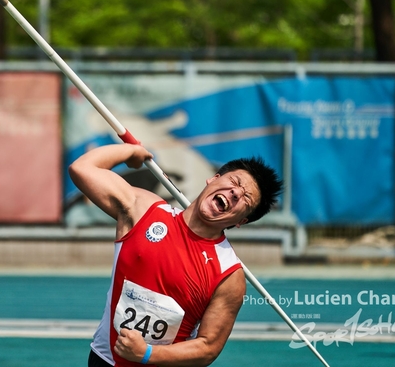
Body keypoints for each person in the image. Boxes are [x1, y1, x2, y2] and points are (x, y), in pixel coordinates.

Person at [69, 143, 283, 367]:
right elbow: (82, 168)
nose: (236, 193)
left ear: (241, 221)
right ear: (213, 178)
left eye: (246, 199)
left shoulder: (229, 276)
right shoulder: (144, 210)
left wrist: (147, 353)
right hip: (104, 360)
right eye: (234, 182)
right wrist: (131, 152)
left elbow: (208, 347)